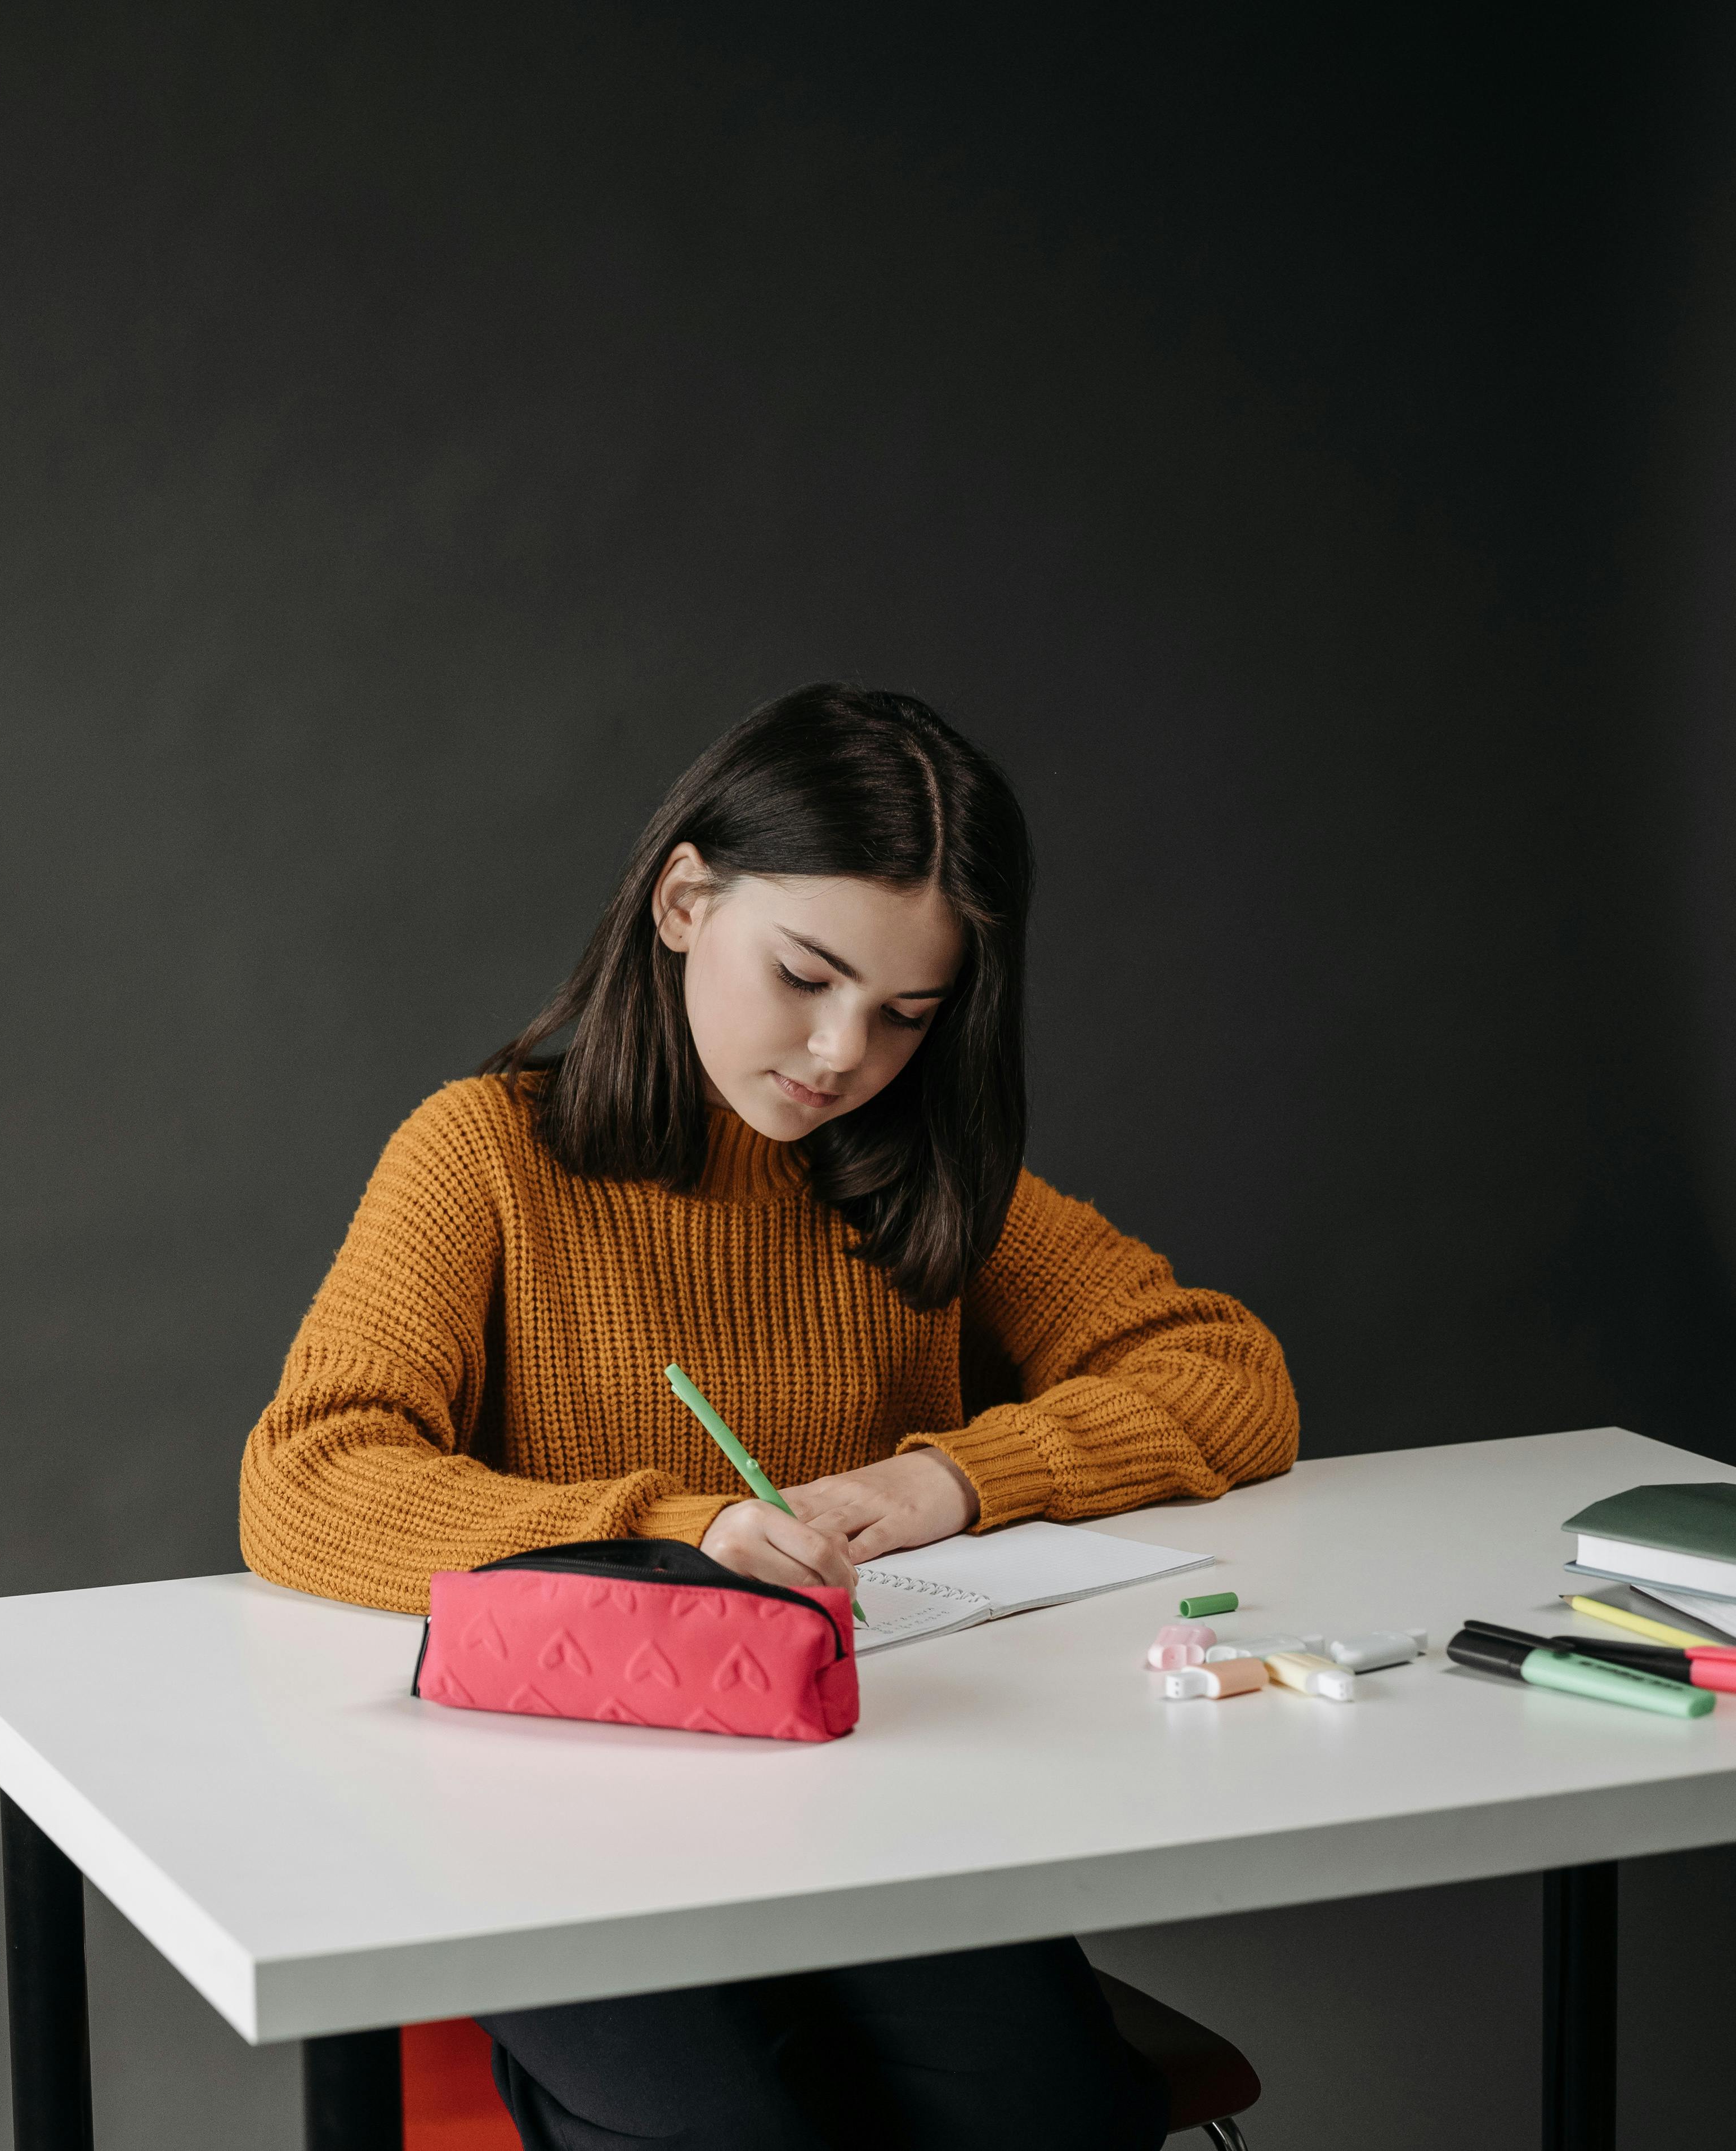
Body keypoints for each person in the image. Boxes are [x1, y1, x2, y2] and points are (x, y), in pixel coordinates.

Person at [236, 683, 1296, 2151]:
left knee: (1047, 2113)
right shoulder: (482, 1152)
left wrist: (947, 1478)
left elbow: (1226, 1370)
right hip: (548, 1821)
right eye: (803, 974)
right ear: (682, 898)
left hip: (856, 1784)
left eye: (904, 1012)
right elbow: (309, 1475)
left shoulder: (902, 1170)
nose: (841, 1049)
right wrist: (676, 1536)